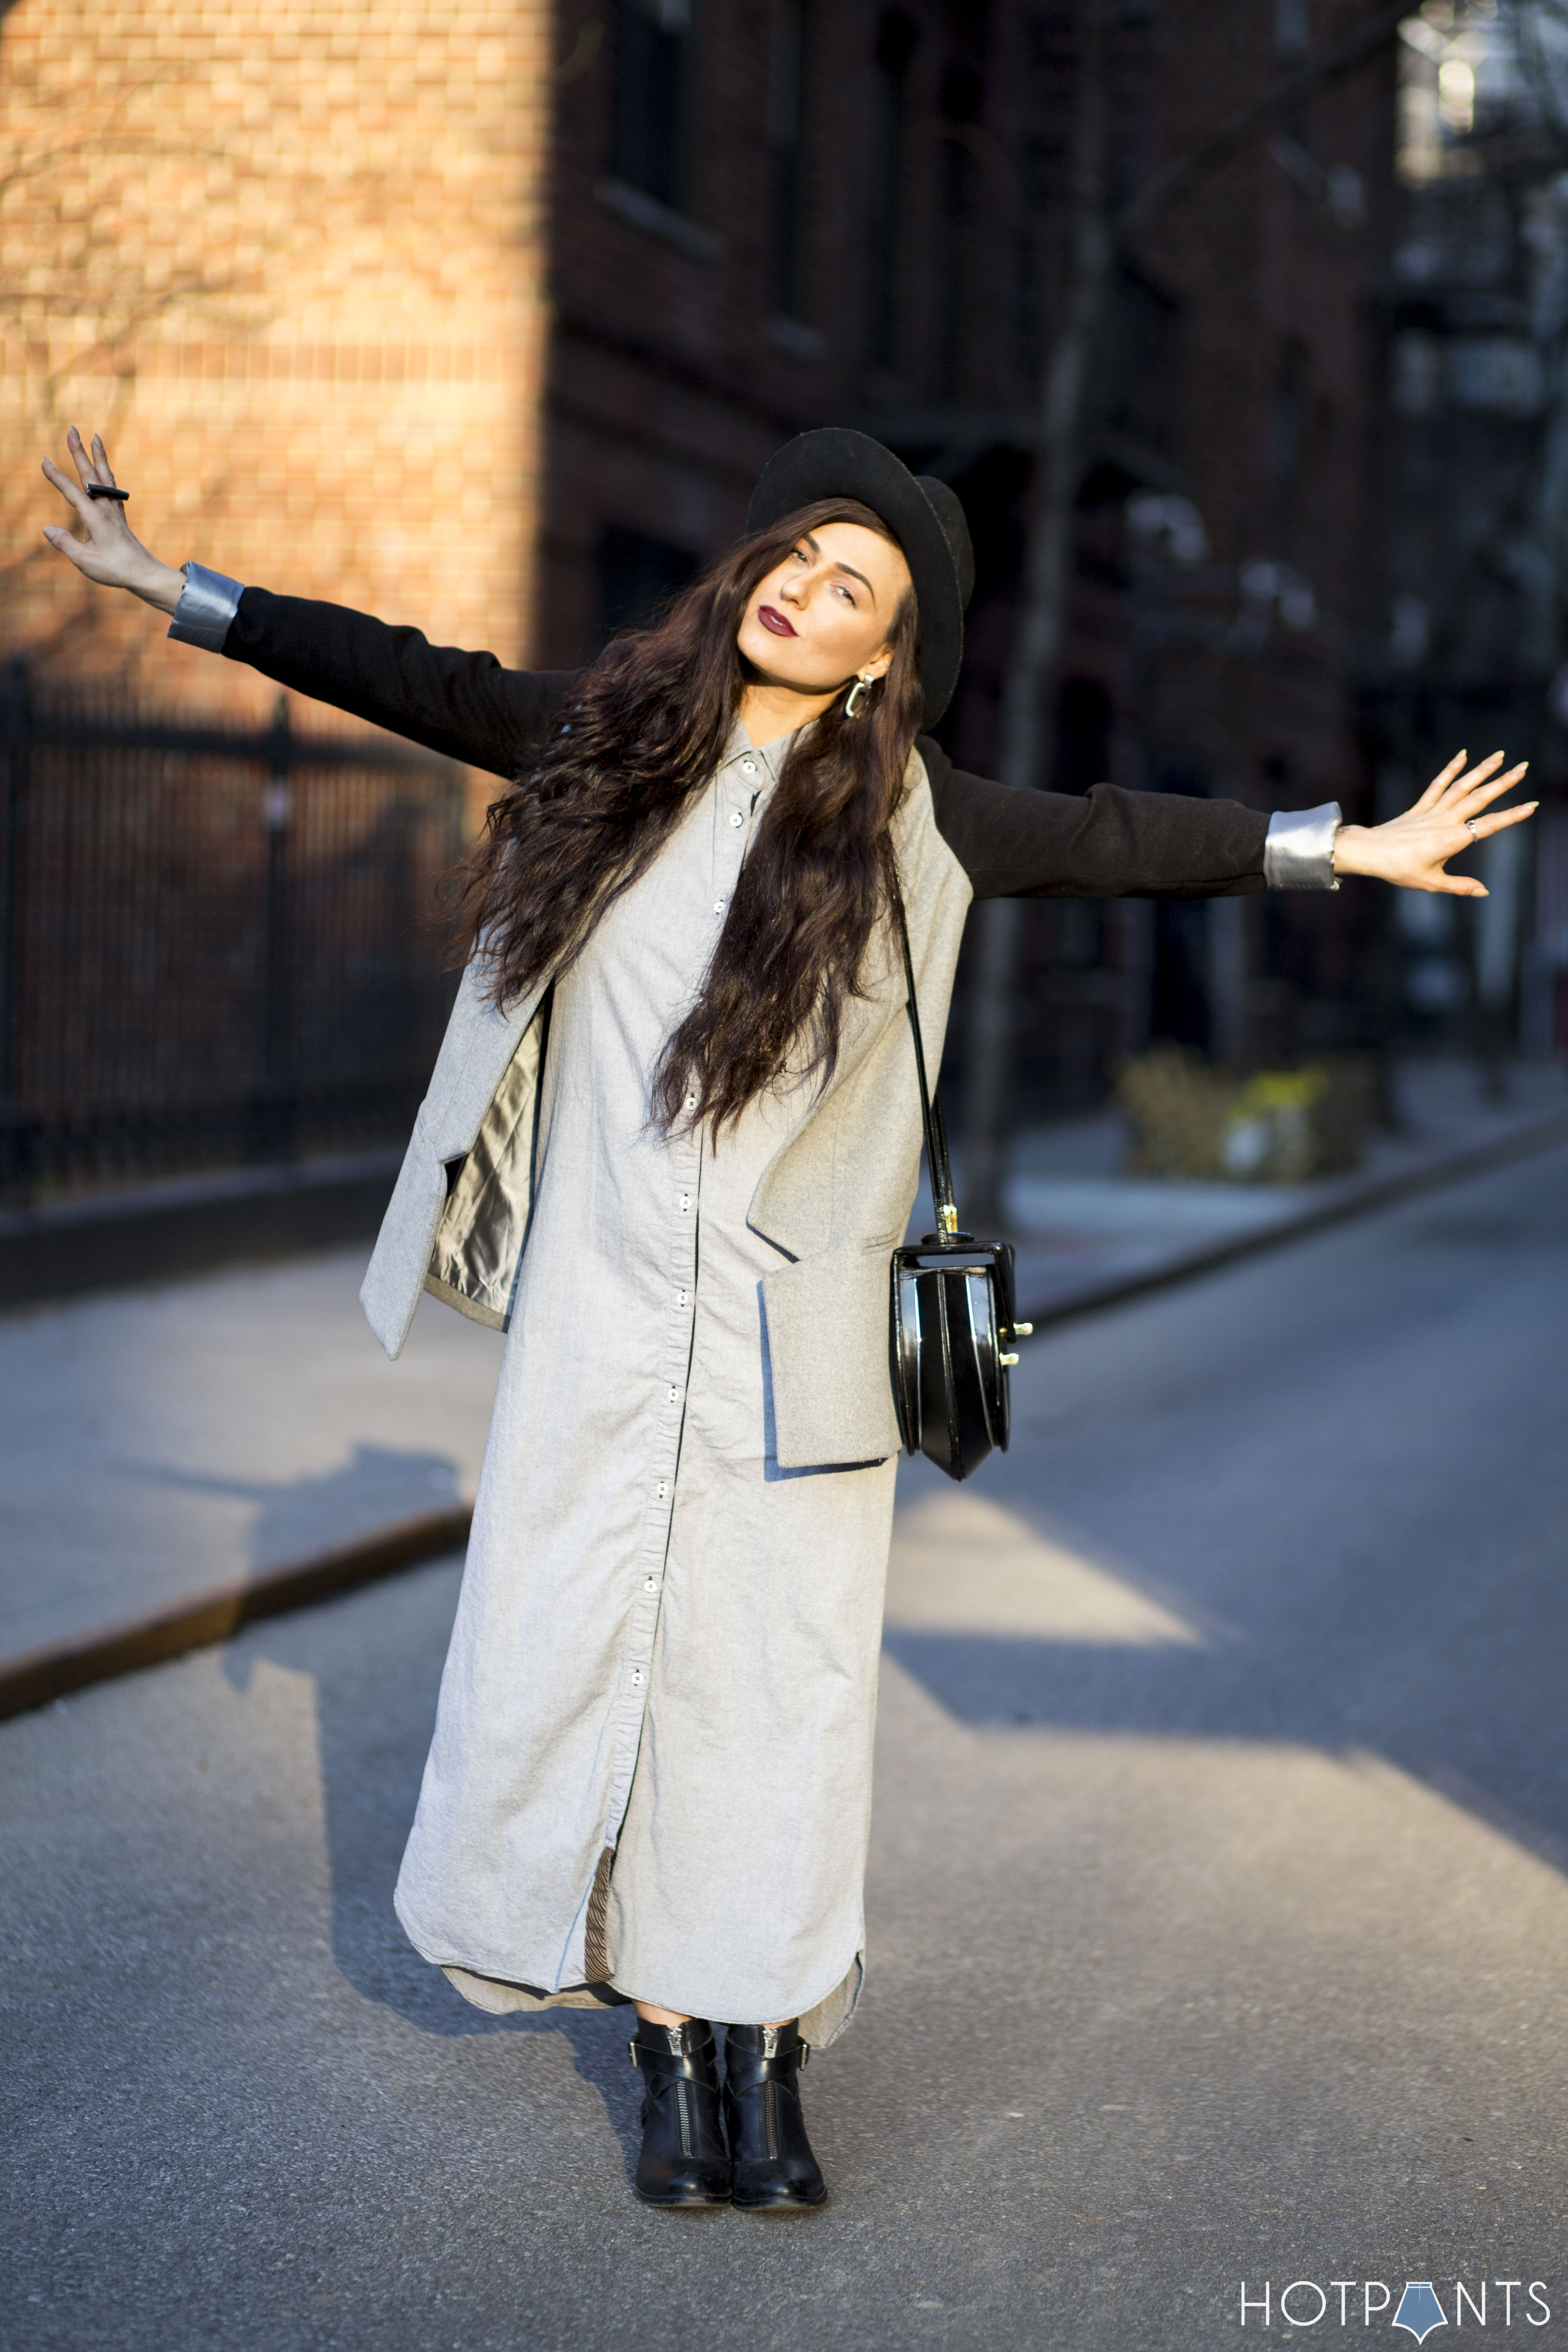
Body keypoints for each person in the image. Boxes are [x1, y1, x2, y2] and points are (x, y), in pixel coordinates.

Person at [41, 423, 1534, 2212]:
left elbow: (1124, 834)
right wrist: (168, 589)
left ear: (883, 657)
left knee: (775, 1705)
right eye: (798, 562)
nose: (805, 599)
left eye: (854, 594)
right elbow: (404, 674)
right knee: (589, 1663)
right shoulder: (612, 747)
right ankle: (677, 2045)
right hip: (602, 1326)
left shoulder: (919, 824)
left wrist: (1339, 846)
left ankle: (757, 2040)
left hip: (796, 1349)